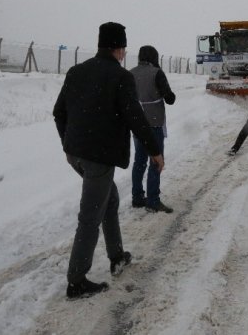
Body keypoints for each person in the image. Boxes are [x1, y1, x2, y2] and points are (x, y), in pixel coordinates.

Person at [53, 22, 164, 299]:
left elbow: (58, 112)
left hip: (75, 154)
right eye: (124, 47)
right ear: (119, 48)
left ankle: (117, 256)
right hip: (97, 158)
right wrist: (154, 150)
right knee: (90, 216)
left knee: (110, 200)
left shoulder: (77, 71)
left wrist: (68, 144)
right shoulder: (120, 76)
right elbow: (135, 118)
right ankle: (76, 280)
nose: (124, 52)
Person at [129, 45, 176, 213]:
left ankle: (137, 197)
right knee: (156, 160)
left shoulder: (130, 73)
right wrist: (168, 95)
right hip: (154, 122)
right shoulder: (157, 73)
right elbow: (169, 98)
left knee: (139, 161)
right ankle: (153, 199)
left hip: (137, 123)